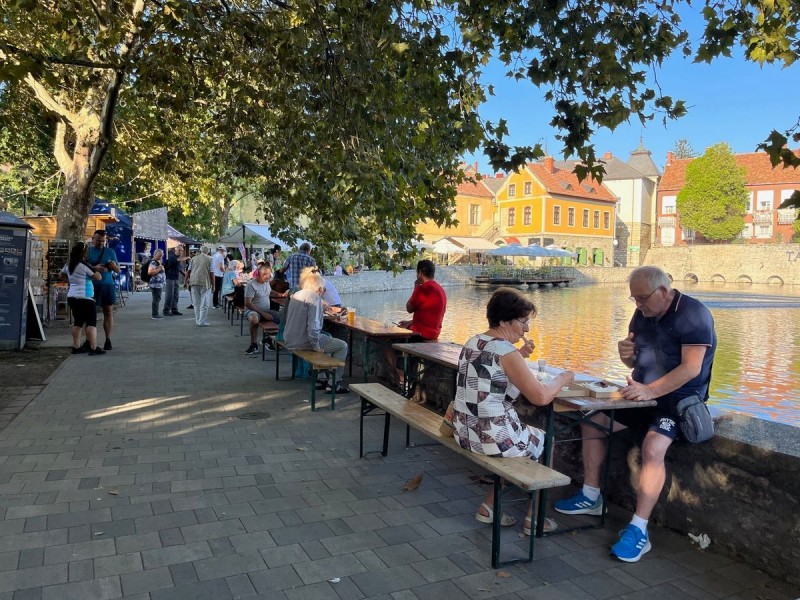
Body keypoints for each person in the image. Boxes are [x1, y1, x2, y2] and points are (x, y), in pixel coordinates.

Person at [554, 266, 716, 563]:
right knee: (593, 422)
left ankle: (639, 530)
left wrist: (651, 391)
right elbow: (631, 362)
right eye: (634, 299)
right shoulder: (643, 313)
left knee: (653, 447)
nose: (638, 305)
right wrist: (625, 353)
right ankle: (591, 496)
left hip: (677, 401)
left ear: (663, 292)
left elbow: (691, 368)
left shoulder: (694, 314)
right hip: (642, 394)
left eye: (642, 298)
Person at [453, 287, 574, 536]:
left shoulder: (473, 342)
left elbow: (498, 389)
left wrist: (519, 356)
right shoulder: (506, 351)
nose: (526, 329)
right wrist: (562, 378)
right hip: (492, 439)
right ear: (504, 321)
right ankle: (535, 519)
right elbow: (540, 397)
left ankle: (489, 507)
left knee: (515, 445)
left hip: (464, 432)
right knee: (543, 442)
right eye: (523, 321)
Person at [282, 271, 349, 393]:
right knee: (342, 346)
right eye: (323, 290)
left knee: (327, 340)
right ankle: (334, 384)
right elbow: (313, 328)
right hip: (302, 341)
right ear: (318, 289)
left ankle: (322, 379)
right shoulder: (314, 298)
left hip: (289, 338)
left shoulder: (296, 294)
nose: (323, 292)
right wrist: (316, 346)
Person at [384, 259, 447, 386]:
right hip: (434, 332)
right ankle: (407, 377)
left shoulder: (423, 288)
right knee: (403, 337)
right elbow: (431, 313)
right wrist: (410, 322)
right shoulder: (440, 289)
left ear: (420, 273)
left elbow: (409, 308)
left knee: (387, 342)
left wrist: (415, 288)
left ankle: (401, 377)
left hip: (420, 333)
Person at [59, 241, 105, 355]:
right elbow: (98, 277)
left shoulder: (69, 264)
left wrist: (70, 280)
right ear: (84, 253)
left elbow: (61, 275)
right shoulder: (84, 265)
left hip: (72, 297)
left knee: (78, 322)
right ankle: (93, 348)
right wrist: (96, 269)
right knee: (91, 323)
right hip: (85, 297)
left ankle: (76, 346)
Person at [86, 229, 120, 350]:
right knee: (90, 314)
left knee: (108, 312)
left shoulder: (110, 252)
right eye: (98, 240)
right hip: (91, 285)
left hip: (107, 285)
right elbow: (81, 266)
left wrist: (113, 266)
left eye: (103, 241)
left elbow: (118, 270)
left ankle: (108, 339)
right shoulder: (87, 252)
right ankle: (89, 340)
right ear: (93, 239)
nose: (100, 243)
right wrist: (94, 267)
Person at [243, 264, 286, 355]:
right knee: (254, 319)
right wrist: (263, 313)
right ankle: (253, 344)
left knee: (284, 317)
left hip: (266, 310)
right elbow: (248, 303)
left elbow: (270, 292)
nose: (268, 276)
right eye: (265, 274)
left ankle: (268, 339)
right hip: (253, 310)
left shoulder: (266, 282)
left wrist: (281, 295)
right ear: (259, 274)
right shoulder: (251, 284)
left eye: (269, 274)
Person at [187, 246, 214, 326]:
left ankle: (198, 320)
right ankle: (202, 321)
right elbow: (212, 273)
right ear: (208, 252)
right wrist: (214, 285)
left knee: (196, 303)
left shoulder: (193, 259)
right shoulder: (210, 259)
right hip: (204, 283)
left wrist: (185, 282)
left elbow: (188, 271)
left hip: (194, 282)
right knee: (204, 303)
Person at [163, 246, 188, 316]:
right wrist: (187, 258)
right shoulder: (172, 257)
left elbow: (180, 269)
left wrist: (187, 276)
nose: (180, 252)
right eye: (179, 250)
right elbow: (178, 260)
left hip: (176, 279)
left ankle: (174, 309)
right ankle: (166, 310)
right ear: (175, 250)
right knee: (169, 295)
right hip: (170, 278)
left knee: (176, 295)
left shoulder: (178, 259)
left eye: (182, 251)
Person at [148, 249, 166, 319]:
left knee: (157, 298)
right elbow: (150, 272)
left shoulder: (157, 262)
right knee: (156, 299)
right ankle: (155, 314)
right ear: (155, 255)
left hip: (158, 284)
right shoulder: (153, 263)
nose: (161, 257)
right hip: (155, 284)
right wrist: (159, 269)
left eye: (162, 255)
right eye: (159, 256)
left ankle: (155, 313)